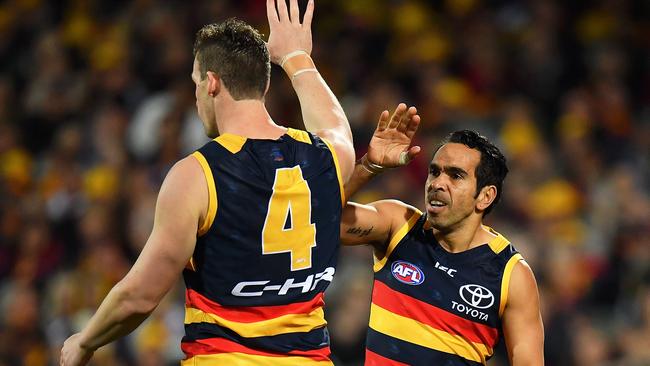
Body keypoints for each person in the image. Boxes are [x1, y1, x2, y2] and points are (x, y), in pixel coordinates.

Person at [60, 0, 357, 364]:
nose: (196, 95)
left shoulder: (197, 175)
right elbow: (336, 127)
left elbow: (139, 297)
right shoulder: (328, 157)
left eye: (196, 83)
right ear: (262, 85)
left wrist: (85, 341)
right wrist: (296, 57)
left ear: (212, 83)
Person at [341, 114, 544, 365]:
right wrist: (369, 166)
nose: (438, 183)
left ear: (485, 196)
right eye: (434, 172)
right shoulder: (398, 225)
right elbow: (316, 221)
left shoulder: (511, 275)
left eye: (455, 175)